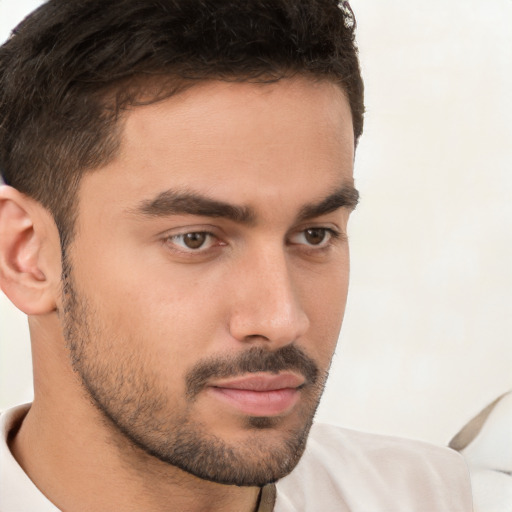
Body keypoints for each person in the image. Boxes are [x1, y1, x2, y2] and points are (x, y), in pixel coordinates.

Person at [0, 1, 472, 510]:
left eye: (314, 235)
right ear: (26, 255)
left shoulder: (431, 495)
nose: (282, 320)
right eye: (195, 239)